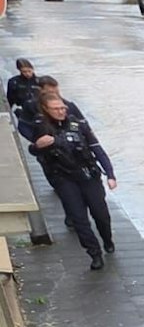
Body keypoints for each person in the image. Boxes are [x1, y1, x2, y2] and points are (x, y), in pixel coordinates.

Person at [28, 92, 116, 269]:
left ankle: (107, 240)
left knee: (101, 215)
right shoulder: (41, 127)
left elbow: (96, 149)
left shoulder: (79, 124)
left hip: (88, 175)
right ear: (45, 109)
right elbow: (35, 149)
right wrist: (37, 146)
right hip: (64, 179)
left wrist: (110, 174)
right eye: (56, 109)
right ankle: (94, 253)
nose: (61, 111)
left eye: (63, 108)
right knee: (79, 219)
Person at [15, 76, 84, 143]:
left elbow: (81, 124)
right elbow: (23, 126)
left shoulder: (69, 105)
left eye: (56, 92)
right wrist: (36, 140)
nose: (54, 95)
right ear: (40, 90)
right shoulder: (31, 106)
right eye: (50, 92)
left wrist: (73, 135)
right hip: (45, 144)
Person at [5, 60, 37, 124]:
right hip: (21, 110)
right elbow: (9, 99)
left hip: (37, 110)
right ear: (19, 71)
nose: (27, 74)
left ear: (32, 69)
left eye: (29, 71)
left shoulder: (39, 81)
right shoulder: (13, 82)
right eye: (24, 72)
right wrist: (8, 113)